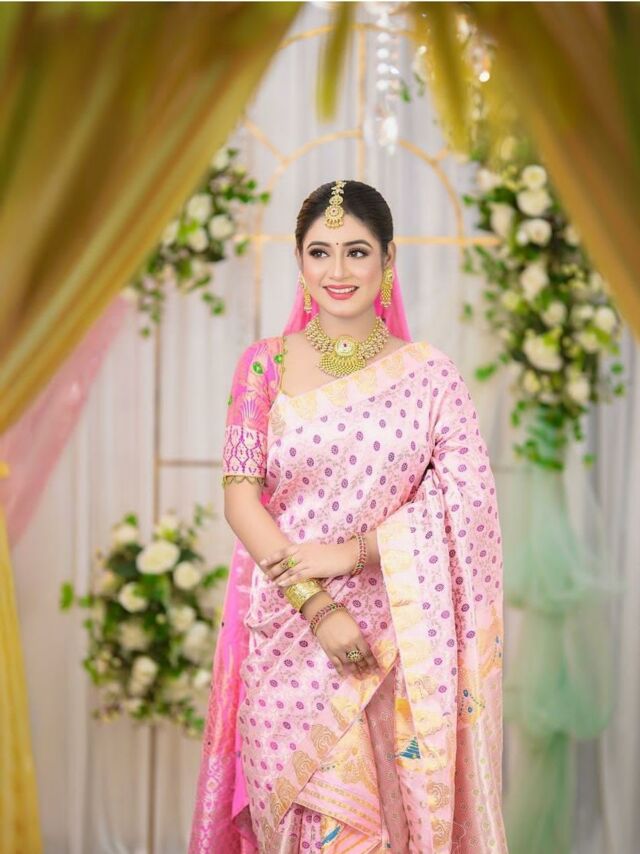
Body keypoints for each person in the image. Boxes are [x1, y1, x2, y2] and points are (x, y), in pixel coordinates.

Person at [189, 180, 507, 853]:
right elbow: (241, 500)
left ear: (388, 260)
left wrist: (354, 553)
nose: (338, 270)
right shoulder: (263, 367)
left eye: (357, 251)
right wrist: (318, 606)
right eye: (320, 252)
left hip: (399, 644)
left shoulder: (432, 378)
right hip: (288, 638)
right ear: (299, 261)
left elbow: (468, 507)